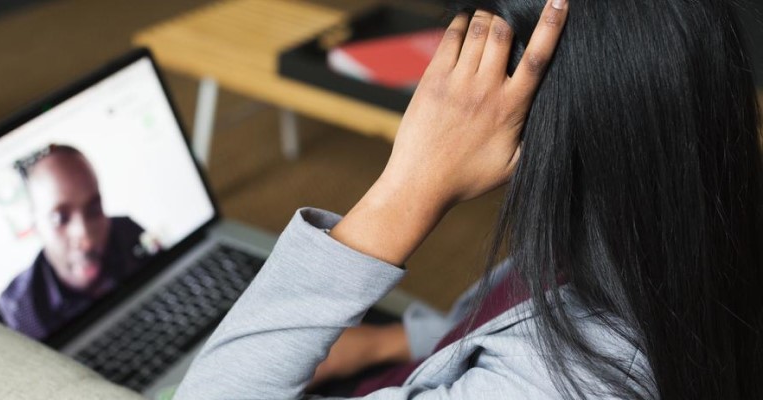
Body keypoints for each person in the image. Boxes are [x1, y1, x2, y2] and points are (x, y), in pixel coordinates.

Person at [175, 0, 763, 398]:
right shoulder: (666, 220)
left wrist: (409, 188)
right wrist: (396, 339)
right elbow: (508, 307)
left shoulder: (557, 385)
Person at [0, 144, 156, 339]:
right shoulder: (17, 314)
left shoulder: (128, 233)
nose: (86, 241)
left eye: (94, 210)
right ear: (35, 225)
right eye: (60, 219)